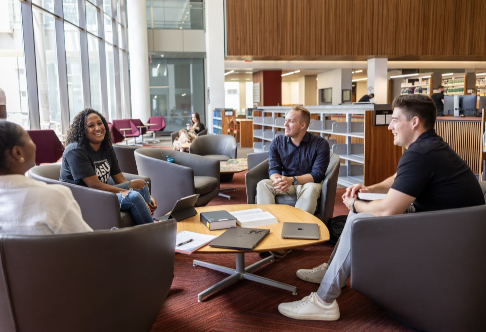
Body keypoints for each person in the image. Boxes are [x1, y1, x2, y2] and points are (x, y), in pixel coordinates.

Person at [277, 94, 485, 321]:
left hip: (449, 235)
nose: (389, 126)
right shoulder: (428, 146)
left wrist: (355, 204)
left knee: (359, 216)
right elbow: (399, 179)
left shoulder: (421, 153)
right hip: (447, 223)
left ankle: (324, 300)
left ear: (414, 122)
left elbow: (388, 211)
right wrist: (368, 189)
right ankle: (331, 272)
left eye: (395, 119)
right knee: (362, 209)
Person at [60, 109, 157, 225]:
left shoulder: (106, 147)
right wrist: (133, 194)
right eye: (91, 125)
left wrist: (147, 196)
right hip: (84, 198)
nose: (97, 128)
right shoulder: (75, 151)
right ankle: (153, 230)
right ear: (82, 130)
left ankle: (146, 220)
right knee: (134, 197)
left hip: (101, 193)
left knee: (140, 184)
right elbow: (94, 185)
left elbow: (120, 179)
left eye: (100, 123)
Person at [0, 121, 93, 235]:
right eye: (29, 139)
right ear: (17, 152)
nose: (34, 144)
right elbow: (87, 243)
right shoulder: (53, 197)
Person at [256, 106, 330, 215]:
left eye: (290, 121)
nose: (285, 125)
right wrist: (278, 181)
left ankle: (298, 225)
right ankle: (269, 222)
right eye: (286, 121)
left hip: (307, 183)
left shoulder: (320, 144)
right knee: (263, 184)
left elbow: (317, 175)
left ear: (302, 125)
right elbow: (273, 169)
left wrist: (292, 180)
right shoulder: (277, 142)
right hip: (285, 183)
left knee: (312, 188)